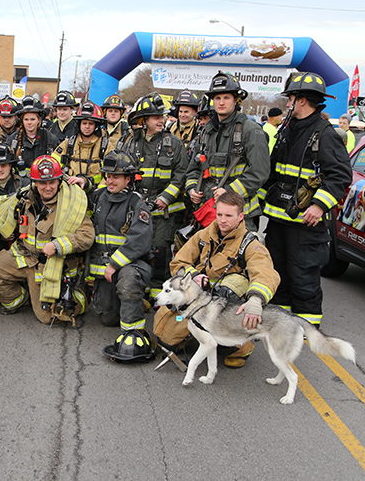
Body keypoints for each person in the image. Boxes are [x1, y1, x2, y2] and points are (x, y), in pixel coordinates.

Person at [261, 72, 352, 328]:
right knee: (279, 274)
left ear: (302, 100)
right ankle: (281, 325)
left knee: (303, 277)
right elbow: (274, 172)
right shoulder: (288, 129)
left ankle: (307, 328)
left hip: (305, 223)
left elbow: (340, 175)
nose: (288, 103)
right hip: (279, 220)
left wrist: (319, 204)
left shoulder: (324, 134)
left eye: (291, 98)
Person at [167, 191, 280, 367]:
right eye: (219, 214)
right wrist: (194, 276)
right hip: (200, 298)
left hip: (227, 304)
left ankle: (242, 346)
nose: (222, 220)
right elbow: (178, 262)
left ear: (240, 216)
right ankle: (198, 335)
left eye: (228, 215)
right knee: (166, 336)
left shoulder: (250, 244)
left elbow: (265, 273)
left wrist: (256, 300)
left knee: (231, 288)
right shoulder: (204, 235)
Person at [0, 155, 94, 324]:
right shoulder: (24, 199)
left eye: (52, 182)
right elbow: (12, 220)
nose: (47, 187)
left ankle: (81, 293)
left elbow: (87, 236)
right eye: (43, 183)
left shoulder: (70, 205)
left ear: (59, 181)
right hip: (24, 257)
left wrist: (57, 245)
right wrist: (0, 225)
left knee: (48, 317)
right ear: (35, 182)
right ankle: (22, 299)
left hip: (49, 265)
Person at [120, 93, 187, 299]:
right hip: (137, 207)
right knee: (137, 248)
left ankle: (160, 295)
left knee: (160, 251)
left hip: (164, 211)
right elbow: (121, 171)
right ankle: (138, 288)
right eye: (155, 117)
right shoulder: (129, 143)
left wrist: (164, 199)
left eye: (162, 117)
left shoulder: (174, 144)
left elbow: (181, 176)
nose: (161, 120)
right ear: (143, 120)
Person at [90, 150, 155, 361]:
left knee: (127, 283)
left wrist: (114, 264)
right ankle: (133, 302)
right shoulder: (98, 197)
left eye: (116, 176)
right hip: (103, 268)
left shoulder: (137, 204)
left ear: (128, 178)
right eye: (107, 176)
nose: (110, 180)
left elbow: (139, 240)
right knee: (108, 318)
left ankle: (133, 334)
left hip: (130, 265)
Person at [185, 71, 269, 231]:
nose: (221, 102)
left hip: (239, 215)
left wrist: (230, 192)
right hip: (209, 213)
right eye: (217, 98)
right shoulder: (206, 131)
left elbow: (260, 172)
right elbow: (194, 168)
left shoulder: (251, 130)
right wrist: (192, 189)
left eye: (226, 98)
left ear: (236, 100)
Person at [53, 101, 109, 193]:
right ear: (79, 124)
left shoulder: (105, 146)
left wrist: (100, 191)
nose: (87, 127)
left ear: (96, 125)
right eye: (84, 123)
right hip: (71, 192)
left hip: (96, 192)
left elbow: (110, 174)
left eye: (90, 123)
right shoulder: (69, 143)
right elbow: (53, 164)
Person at [7, 96, 59, 178]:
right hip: (20, 184)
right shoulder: (13, 140)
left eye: (32, 119)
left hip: (43, 184)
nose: (29, 123)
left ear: (39, 120)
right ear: (22, 121)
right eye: (26, 119)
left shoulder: (50, 139)